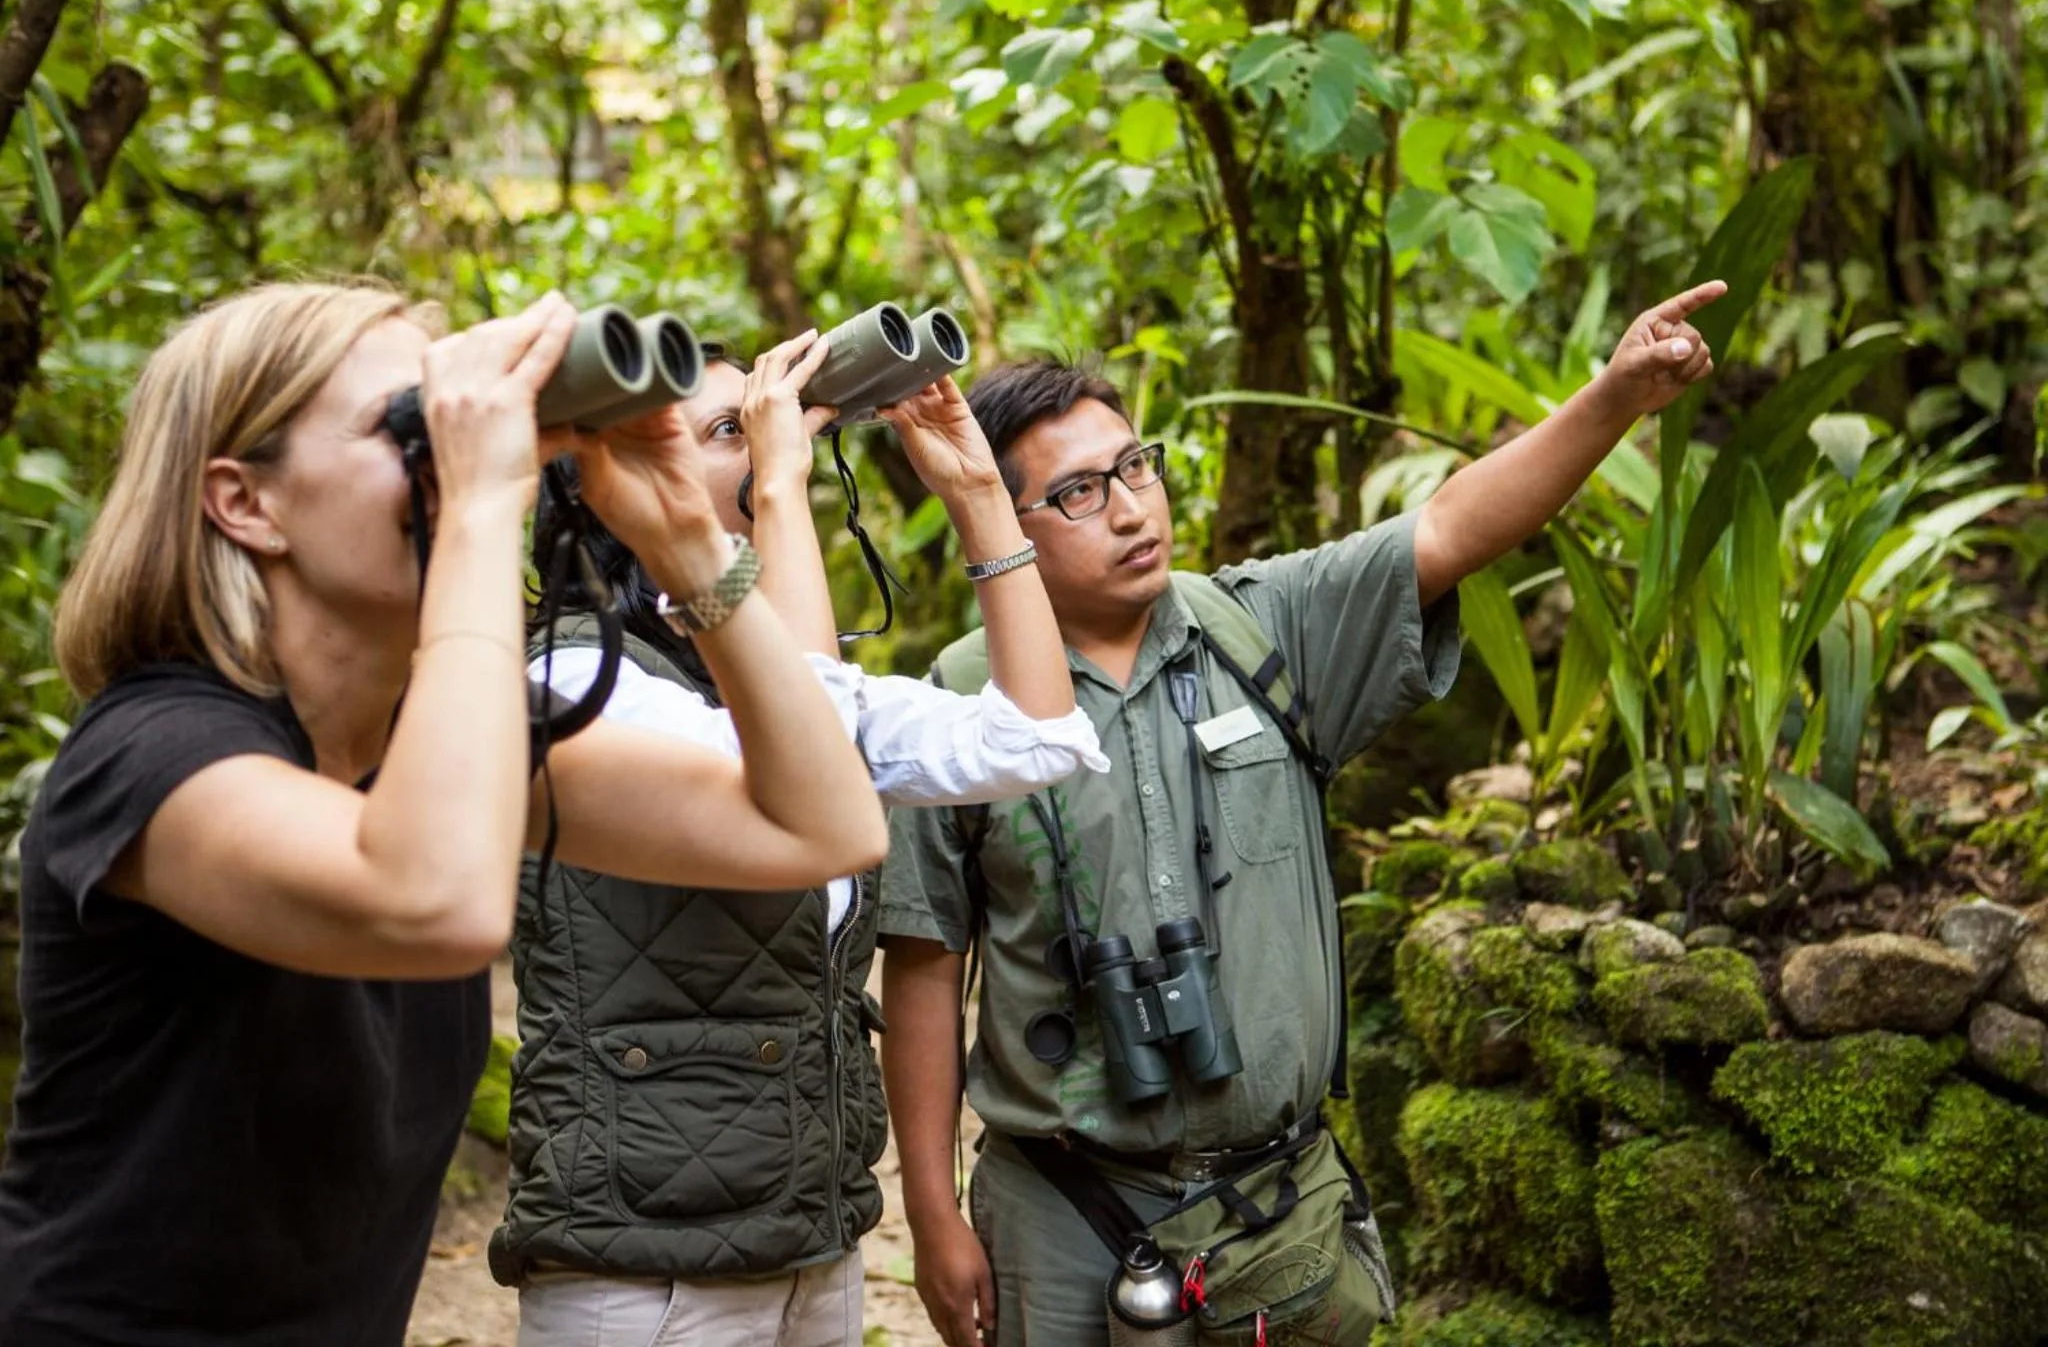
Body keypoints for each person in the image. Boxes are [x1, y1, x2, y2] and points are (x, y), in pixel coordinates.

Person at [0, 283, 889, 1347]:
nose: (472, 452)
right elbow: (434, 902)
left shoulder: (430, 739)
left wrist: (687, 546)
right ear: (246, 503)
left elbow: (824, 827)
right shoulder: (150, 757)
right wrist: (473, 511)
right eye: (415, 425)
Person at [879, 281, 1726, 1346]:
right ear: (1005, 518)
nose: (1134, 507)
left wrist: (1614, 397)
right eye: (1083, 493)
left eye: (1134, 467)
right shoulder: (955, 707)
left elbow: (1458, 521)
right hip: (1061, 1204)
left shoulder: (1266, 625)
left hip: (1279, 1199)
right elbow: (920, 959)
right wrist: (929, 1206)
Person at [495, 330, 1108, 1347]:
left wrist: (974, 493)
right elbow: (806, 781)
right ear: (609, 478)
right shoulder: (572, 683)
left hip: (808, 1242)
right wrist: (779, 492)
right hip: (644, 1268)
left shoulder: (757, 670)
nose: (772, 440)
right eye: (728, 428)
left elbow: (1032, 737)